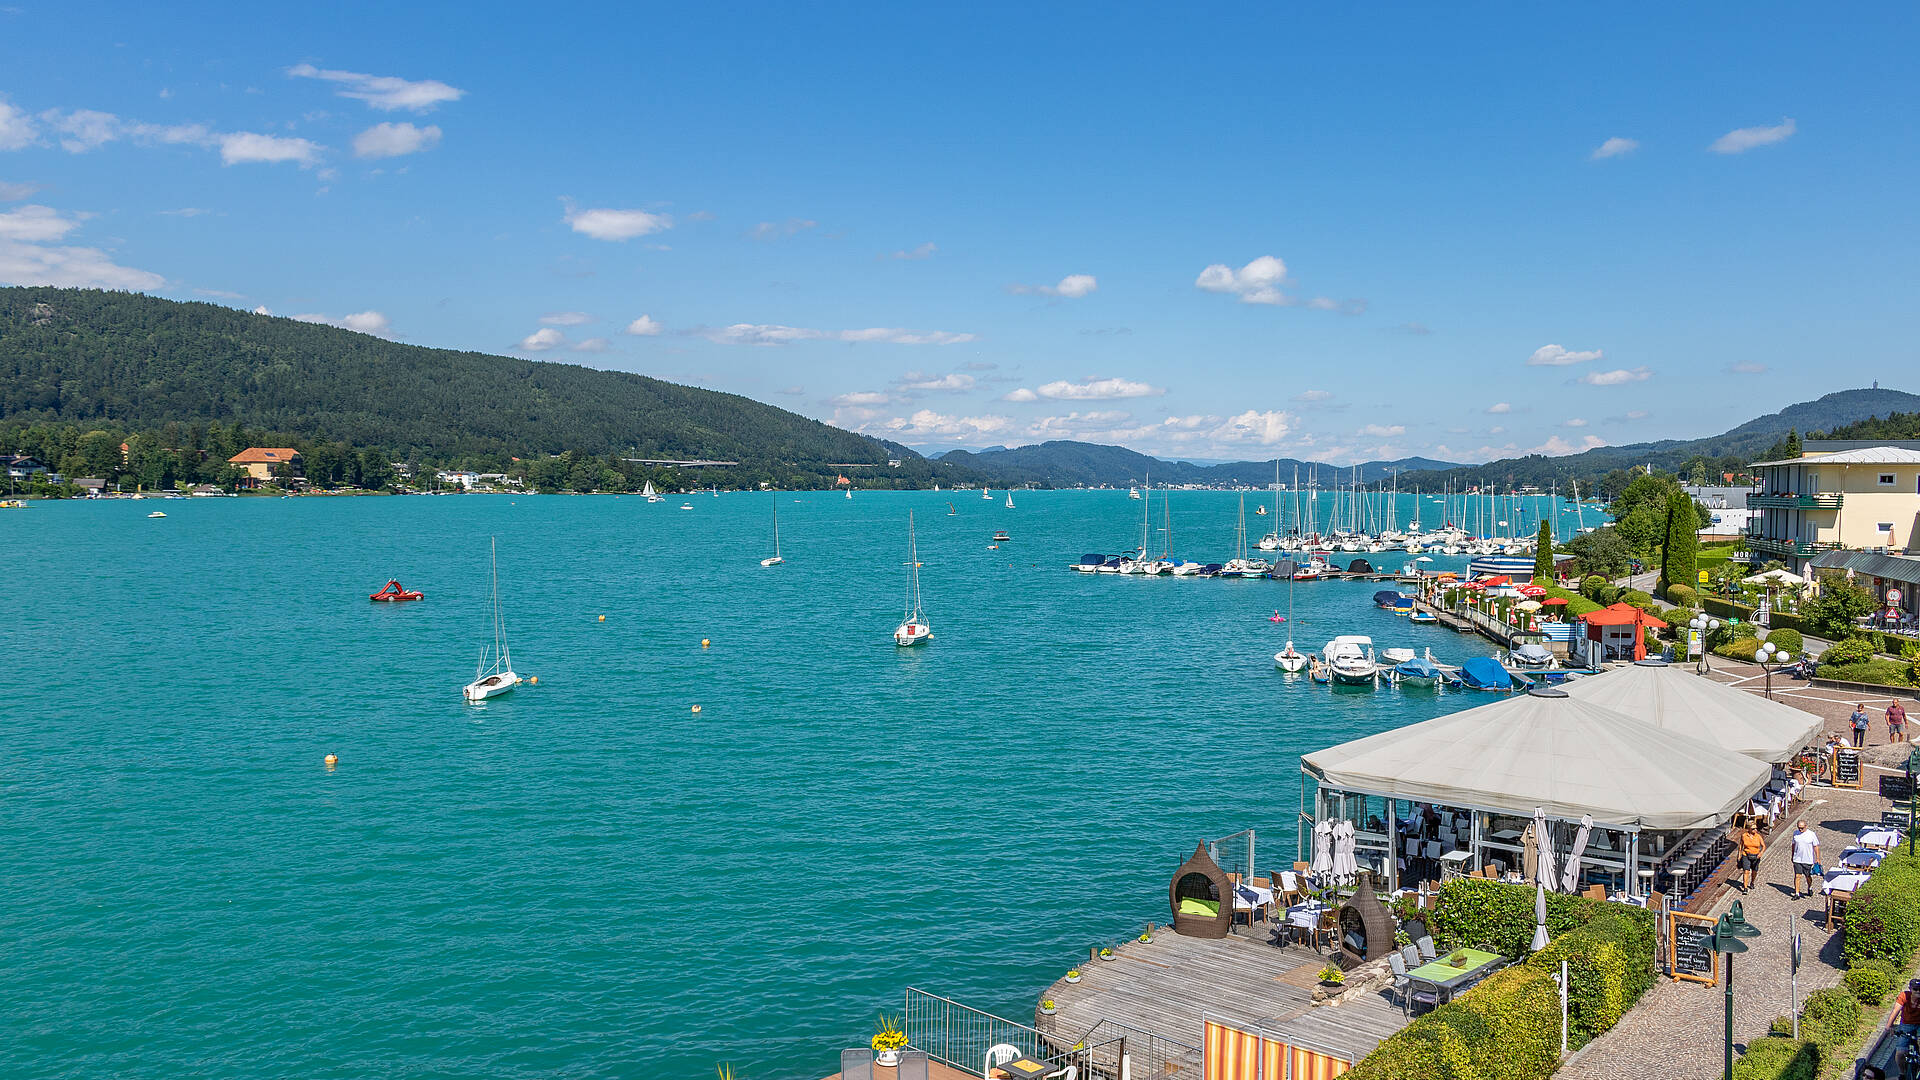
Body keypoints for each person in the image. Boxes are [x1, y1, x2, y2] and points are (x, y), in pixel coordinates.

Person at [1789, 821, 1821, 899]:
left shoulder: (1811, 834)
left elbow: (1816, 846)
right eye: (1799, 828)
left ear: (1806, 826)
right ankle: (1797, 893)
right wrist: (1792, 855)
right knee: (1797, 876)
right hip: (1797, 859)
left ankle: (1809, 887)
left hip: (1807, 859)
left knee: (1807, 876)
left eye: (1802, 828)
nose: (1800, 829)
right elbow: (1793, 845)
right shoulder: (1795, 833)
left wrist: (1818, 858)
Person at [1735, 820, 1766, 892]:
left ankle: (1752, 882)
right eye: (1753, 829)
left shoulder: (1758, 836)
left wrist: (1761, 853)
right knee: (1746, 871)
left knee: (1754, 871)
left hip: (1756, 855)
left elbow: (1763, 846)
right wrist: (1739, 857)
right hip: (1746, 855)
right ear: (1748, 829)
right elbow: (1740, 847)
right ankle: (1745, 888)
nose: (1755, 830)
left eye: (1756, 828)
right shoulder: (1744, 836)